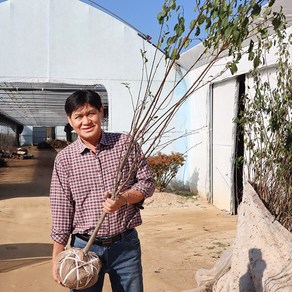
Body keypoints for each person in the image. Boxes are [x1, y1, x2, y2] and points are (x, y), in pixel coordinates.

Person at [50, 89, 155, 292]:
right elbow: (62, 211)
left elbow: (147, 182)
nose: (86, 121)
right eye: (78, 116)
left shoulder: (125, 144)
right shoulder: (65, 160)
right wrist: (57, 256)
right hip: (83, 250)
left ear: (101, 112)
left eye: (90, 113)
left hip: (124, 246)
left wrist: (123, 199)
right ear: (70, 121)